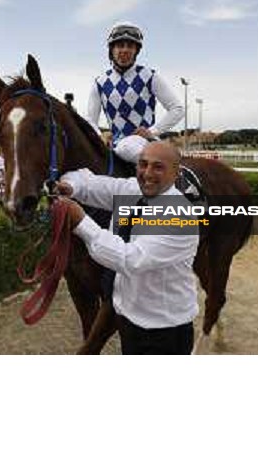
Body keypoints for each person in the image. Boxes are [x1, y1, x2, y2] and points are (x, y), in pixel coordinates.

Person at [56, 141, 199, 355]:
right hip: (129, 321)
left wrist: (81, 222)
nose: (147, 173)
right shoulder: (132, 190)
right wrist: (70, 187)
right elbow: (87, 180)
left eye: (158, 167)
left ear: (176, 173)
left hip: (163, 332)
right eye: (143, 164)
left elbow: (129, 259)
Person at [86, 22, 184, 163]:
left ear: (136, 50)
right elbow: (90, 121)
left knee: (126, 147)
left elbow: (177, 109)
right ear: (112, 50)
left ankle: (167, 169)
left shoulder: (150, 76)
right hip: (116, 146)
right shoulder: (99, 82)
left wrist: (152, 131)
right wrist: (99, 137)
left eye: (130, 46)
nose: (125, 50)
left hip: (145, 143)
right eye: (120, 45)